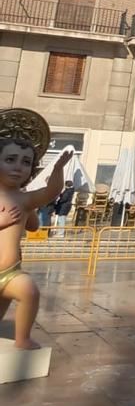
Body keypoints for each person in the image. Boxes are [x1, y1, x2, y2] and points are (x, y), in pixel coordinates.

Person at [1, 107, 74, 350]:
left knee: (29, 292)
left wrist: (58, 169)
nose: (18, 167)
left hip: (10, 273)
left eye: (26, 162)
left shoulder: (23, 199)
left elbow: (50, 193)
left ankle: (22, 338)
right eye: (10, 160)